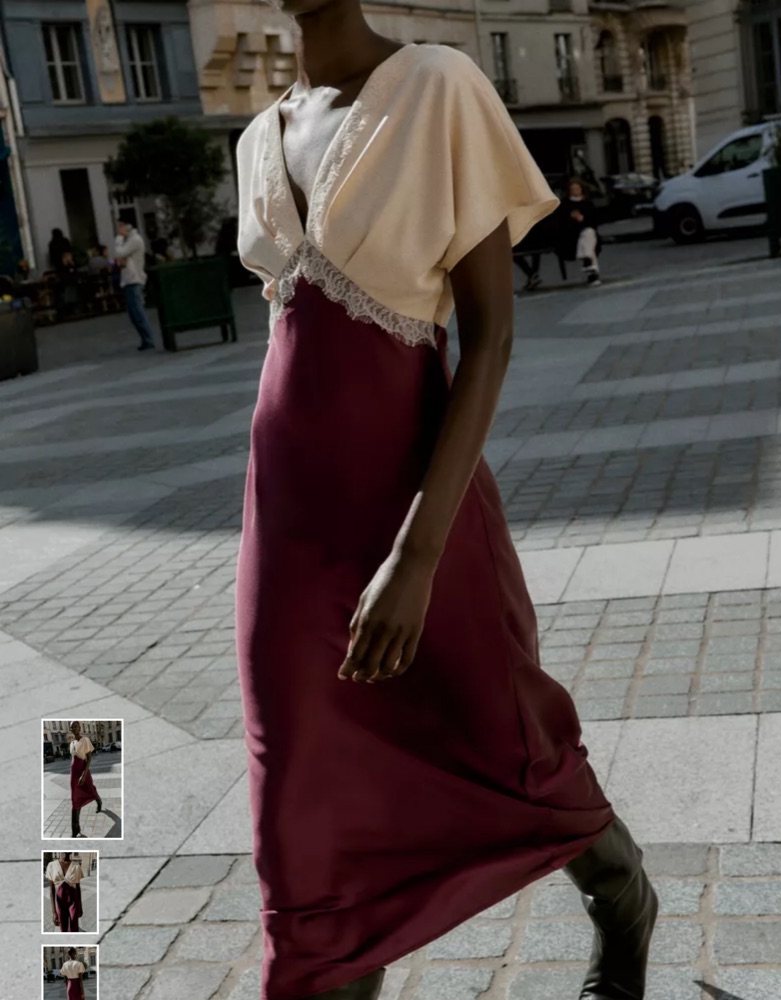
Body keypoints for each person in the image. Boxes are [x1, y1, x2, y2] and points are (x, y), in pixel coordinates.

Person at [235, 4, 658, 999]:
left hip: (415, 500)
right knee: (302, 791)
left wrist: (416, 555)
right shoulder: (256, 138)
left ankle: (621, 895)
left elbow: (490, 334)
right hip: (285, 520)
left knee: (500, 738)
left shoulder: (437, 85)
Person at [114, 221, 156, 351]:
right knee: (133, 313)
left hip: (134, 279)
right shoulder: (129, 240)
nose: (119, 229)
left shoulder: (134, 240)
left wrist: (118, 238)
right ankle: (145, 339)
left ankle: (148, 339)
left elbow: (120, 253)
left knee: (137, 311)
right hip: (129, 279)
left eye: (121, 226)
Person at [559, 177, 602, 286]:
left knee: (588, 233)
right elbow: (561, 223)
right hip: (571, 236)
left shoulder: (587, 203)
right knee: (589, 239)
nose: (576, 191)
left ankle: (589, 264)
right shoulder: (565, 204)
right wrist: (572, 219)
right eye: (573, 189)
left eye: (577, 188)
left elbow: (594, 221)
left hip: (587, 231)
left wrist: (582, 219)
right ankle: (592, 271)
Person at [69, 722, 103, 838]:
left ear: (80, 727)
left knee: (90, 790)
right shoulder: (72, 743)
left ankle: (99, 802)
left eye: (76, 726)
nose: (74, 728)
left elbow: (89, 758)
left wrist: (83, 775)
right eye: (72, 727)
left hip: (83, 772)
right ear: (70, 729)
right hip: (74, 774)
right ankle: (75, 828)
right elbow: (73, 758)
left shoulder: (85, 740)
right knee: (75, 798)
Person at [46, 853, 83, 932]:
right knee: (63, 927)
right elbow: (51, 890)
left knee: (74, 927)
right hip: (60, 904)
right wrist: (54, 912)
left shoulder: (76, 866)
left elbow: (78, 888)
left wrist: (80, 907)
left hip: (74, 903)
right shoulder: (51, 865)